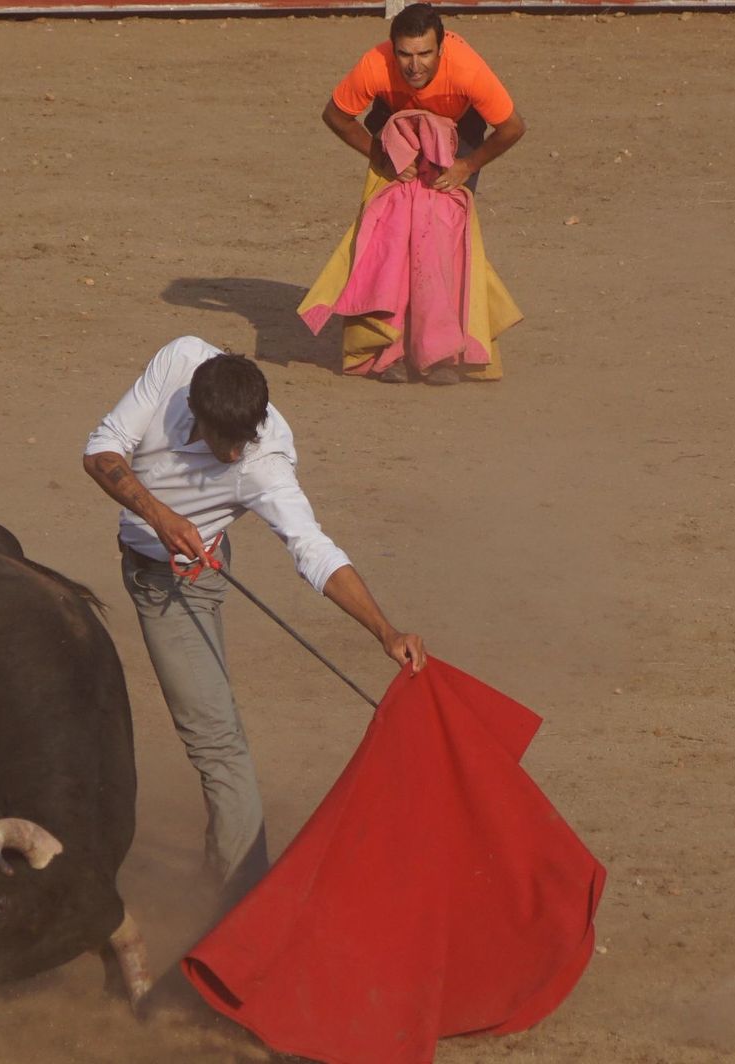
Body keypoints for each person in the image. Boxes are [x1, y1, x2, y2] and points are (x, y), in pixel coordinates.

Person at [83, 336, 427, 904]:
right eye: (224, 440)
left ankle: (242, 904)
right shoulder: (180, 360)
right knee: (221, 736)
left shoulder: (265, 463)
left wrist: (385, 631)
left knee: (218, 744)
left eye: (245, 438)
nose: (235, 453)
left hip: (179, 587)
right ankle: (226, 875)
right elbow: (100, 451)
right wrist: (160, 517)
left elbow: (313, 550)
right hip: (157, 562)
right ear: (194, 413)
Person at [313, 2, 525, 384]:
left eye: (425, 54)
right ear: (392, 49)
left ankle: (440, 352)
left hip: (459, 134)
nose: (414, 66)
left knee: (441, 238)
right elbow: (335, 115)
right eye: (405, 55)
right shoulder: (375, 64)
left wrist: (467, 165)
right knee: (392, 238)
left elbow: (512, 127)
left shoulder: (467, 69)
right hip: (393, 128)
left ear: (442, 48)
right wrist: (381, 155)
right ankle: (389, 349)